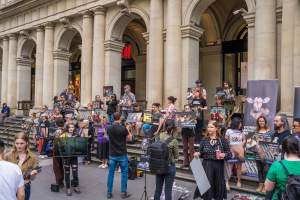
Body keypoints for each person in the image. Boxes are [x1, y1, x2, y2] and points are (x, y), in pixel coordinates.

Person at [193, 120, 232, 200]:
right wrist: (197, 154)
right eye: (208, 127)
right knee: (206, 187)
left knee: (218, 185)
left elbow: (230, 154)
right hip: (206, 165)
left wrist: (224, 155)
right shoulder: (204, 140)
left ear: (216, 128)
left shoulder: (222, 140)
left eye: (211, 127)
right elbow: (200, 152)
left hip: (218, 166)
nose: (209, 129)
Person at [5, 132, 39, 200]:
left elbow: (32, 178)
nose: (19, 146)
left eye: (21, 143)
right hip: (10, 187)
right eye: (17, 143)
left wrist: (33, 174)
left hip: (25, 186)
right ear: (14, 143)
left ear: (26, 143)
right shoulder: (8, 156)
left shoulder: (32, 157)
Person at [106, 112, 132, 199]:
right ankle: (123, 192)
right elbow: (130, 138)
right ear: (120, 118)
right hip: (122, 154)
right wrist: (128, 129)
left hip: (112, 154)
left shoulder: (109, 127)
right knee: (124, 173)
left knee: (111, 174)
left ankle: (109, 192)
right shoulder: (123, 128)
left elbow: (107, 136)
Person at [153, 119, 179, 200]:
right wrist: (171, 161)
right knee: (168, 191)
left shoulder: (158, 136)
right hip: (169, 166)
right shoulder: (174, 141)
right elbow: (176, 157)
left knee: (158, 190)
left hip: (158, 165)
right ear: (173, 128)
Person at [60, 123, 81, 196]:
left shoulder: (77, 135)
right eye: (70, 127)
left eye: (72, 127)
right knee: (67, 173)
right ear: (67, 128)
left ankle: (76, 186)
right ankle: (68, 188)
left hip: (74, 157)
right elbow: (60, 146)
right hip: (66, 158)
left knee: (75, 173)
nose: (71, 128)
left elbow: (80, 145)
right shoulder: (63, 135)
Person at [225, 117, 245, 189]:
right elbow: (226, 141)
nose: (241, 124)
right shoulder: (229, 131)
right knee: (229, 167)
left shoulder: (241, 131)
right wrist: (231, 147)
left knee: (239, 167)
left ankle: (239, 181)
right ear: (236, 123)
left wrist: (241, 145)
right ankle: (227, 182)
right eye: (240, 123)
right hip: (231, 151)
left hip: (240, 151)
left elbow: (244, 140)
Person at [254, 116, 272, 193]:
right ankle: (260, 185)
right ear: (258, 122)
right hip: (257, 154)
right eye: (260, 121)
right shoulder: (256, 131)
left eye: (262, 121)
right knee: (259, 170)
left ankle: (265, 186)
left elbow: (271, 143)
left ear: (265, 122)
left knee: (266, 170)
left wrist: (263, 140)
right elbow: (252, 142)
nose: (261, 122)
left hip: (266, 154)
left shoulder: (270, 131)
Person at [52, 118, 65, 188]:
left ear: (56, 124)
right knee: (62, 166)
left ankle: (59, 181)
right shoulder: (65, 130)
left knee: (56, 166)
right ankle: (61, 180)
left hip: (57, 150)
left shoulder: (57, 131)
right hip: (64, 150)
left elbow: (56, 141)